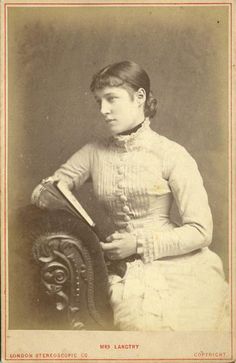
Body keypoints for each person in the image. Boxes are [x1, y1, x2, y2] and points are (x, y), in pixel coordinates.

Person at [31, 60, 229, 331]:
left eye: (111, 99)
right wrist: (52, 196)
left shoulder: (171, 154)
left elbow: (201, 231)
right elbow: (49, 189)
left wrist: (137, 245)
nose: (103, 110)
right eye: (99, 101)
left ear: (140, 98)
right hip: (121, 266)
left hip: (179, 264)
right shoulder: (93, 152)